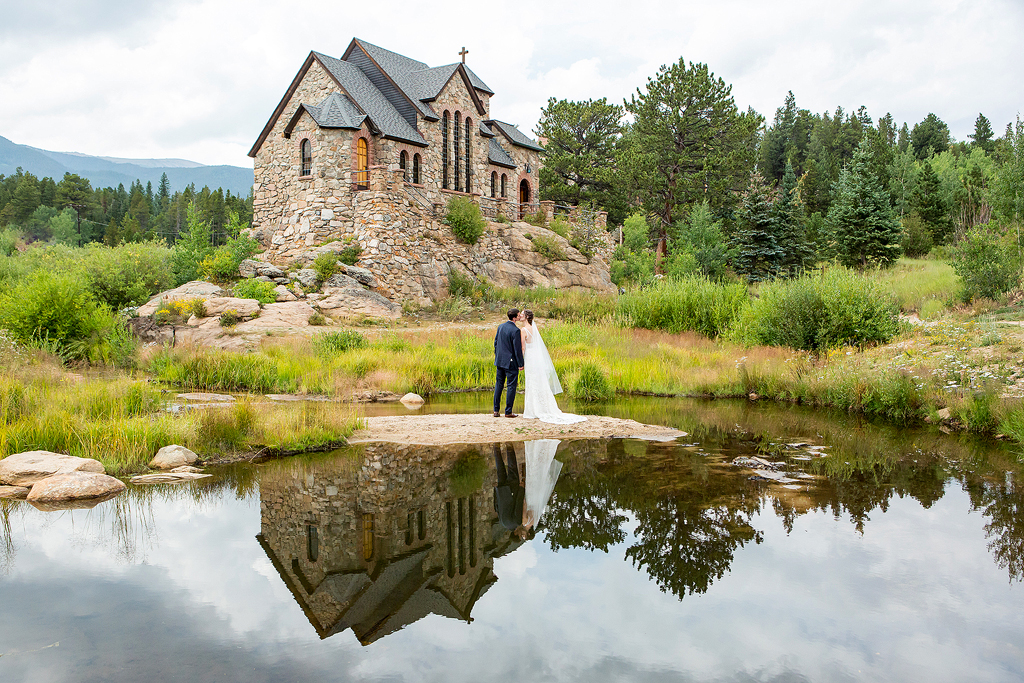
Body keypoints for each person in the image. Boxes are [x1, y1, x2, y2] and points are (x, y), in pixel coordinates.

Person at [520, 310, 587, 425]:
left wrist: (520, 361)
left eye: (522, 314)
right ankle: (542, 407)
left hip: (530, 358)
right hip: (536, 357)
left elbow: (523, 348)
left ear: (526, 316)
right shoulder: (534, 329)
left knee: (531, 381)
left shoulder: (523, 330)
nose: (520, 316)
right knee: (538, 381)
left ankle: (533, 410)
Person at [493, 308, 525, 418]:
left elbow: (496, 343)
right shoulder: (515, 330)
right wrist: (521, 363)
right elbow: (517, 349)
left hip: (500, 360)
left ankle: (496, 410)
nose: (520, 316)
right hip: (510, 362)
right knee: (511, 386)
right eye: (518, 314)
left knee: (499, 385)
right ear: (515, 317)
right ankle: (508, 412)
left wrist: (497, 356)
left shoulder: (500, 326)